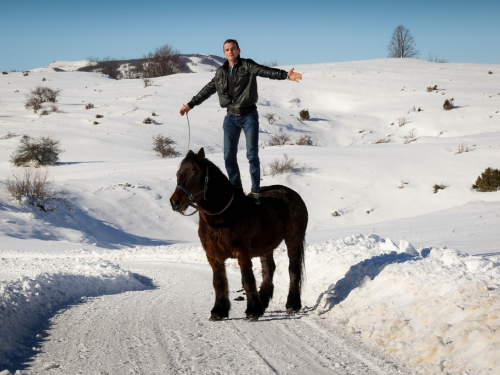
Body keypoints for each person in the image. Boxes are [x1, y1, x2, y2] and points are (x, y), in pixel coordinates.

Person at [180, 39, 302, 204]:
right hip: (230, 117)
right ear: (224, 53)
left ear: (238, 50)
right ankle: (236, 190)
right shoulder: (221, 72)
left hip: (248, 115)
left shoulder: (247, 65)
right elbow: (208, 89)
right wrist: (191, 104)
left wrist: (286, 75)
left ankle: (256, 191)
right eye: (227, 49)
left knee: (252, 155)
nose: (230, 51)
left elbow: (265, 71)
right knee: (228, 156)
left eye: (233, 49)